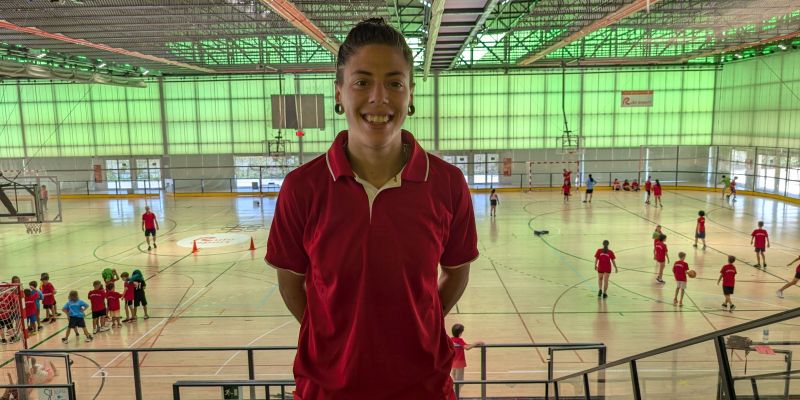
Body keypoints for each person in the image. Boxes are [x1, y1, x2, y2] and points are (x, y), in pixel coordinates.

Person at [265, 18, 478, 400]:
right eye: (362, 82)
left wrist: (421, 325)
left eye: (394, 83)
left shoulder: (447, 183)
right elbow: (289, 282)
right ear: (339, 94)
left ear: (410, 94)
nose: (379, 98)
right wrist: (333, 337)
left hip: (423, 388)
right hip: (326, 390)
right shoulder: (302, 188)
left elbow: (456, 273)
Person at [450, 323, 484, 398]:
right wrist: (476, 343)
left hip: (453, 363)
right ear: (460, 333)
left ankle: (453, 395)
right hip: (460, 363)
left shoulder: (451, 339)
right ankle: (454, 397)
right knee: (459, 382)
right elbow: (467, 347)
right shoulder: (459, 340)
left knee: (455, 380)